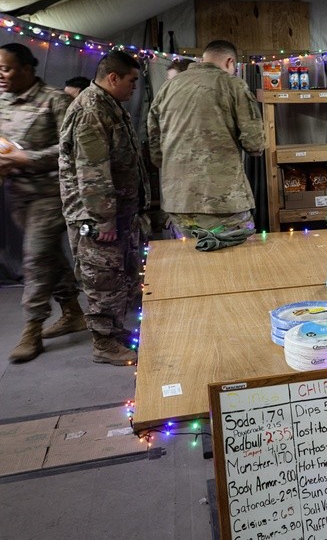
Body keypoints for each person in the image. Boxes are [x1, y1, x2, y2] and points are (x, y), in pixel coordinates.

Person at [59, 50, 150, 365]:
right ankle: (104, 343)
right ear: (114, 78)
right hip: (98, 216)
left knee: (118, 274)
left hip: (116, 213)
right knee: (101, 276)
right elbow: (93, 172)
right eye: (132, 81)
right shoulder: (92, 109)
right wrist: (104, 220)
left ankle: (113, 330)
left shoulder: (109, 105)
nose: (134, 88)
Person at [0, 43, 88, 362]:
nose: (1, 75)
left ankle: (31, 330)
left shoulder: (55, 100)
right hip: (17, 196)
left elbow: (72, 148)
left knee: (35, 258)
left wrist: (27, 158)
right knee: (49, 256)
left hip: (49, 195)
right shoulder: (1, 102)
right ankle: (73, 312)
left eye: (7, 68)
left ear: (27, 69)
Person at [147, 40, 264, 250]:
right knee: (238, 264)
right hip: (222, 203)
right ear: (230, 62)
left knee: (190, 267)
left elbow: (155, 150)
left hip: (178, 202)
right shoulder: (233, 84)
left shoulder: (168, 87)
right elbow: (254, 143)